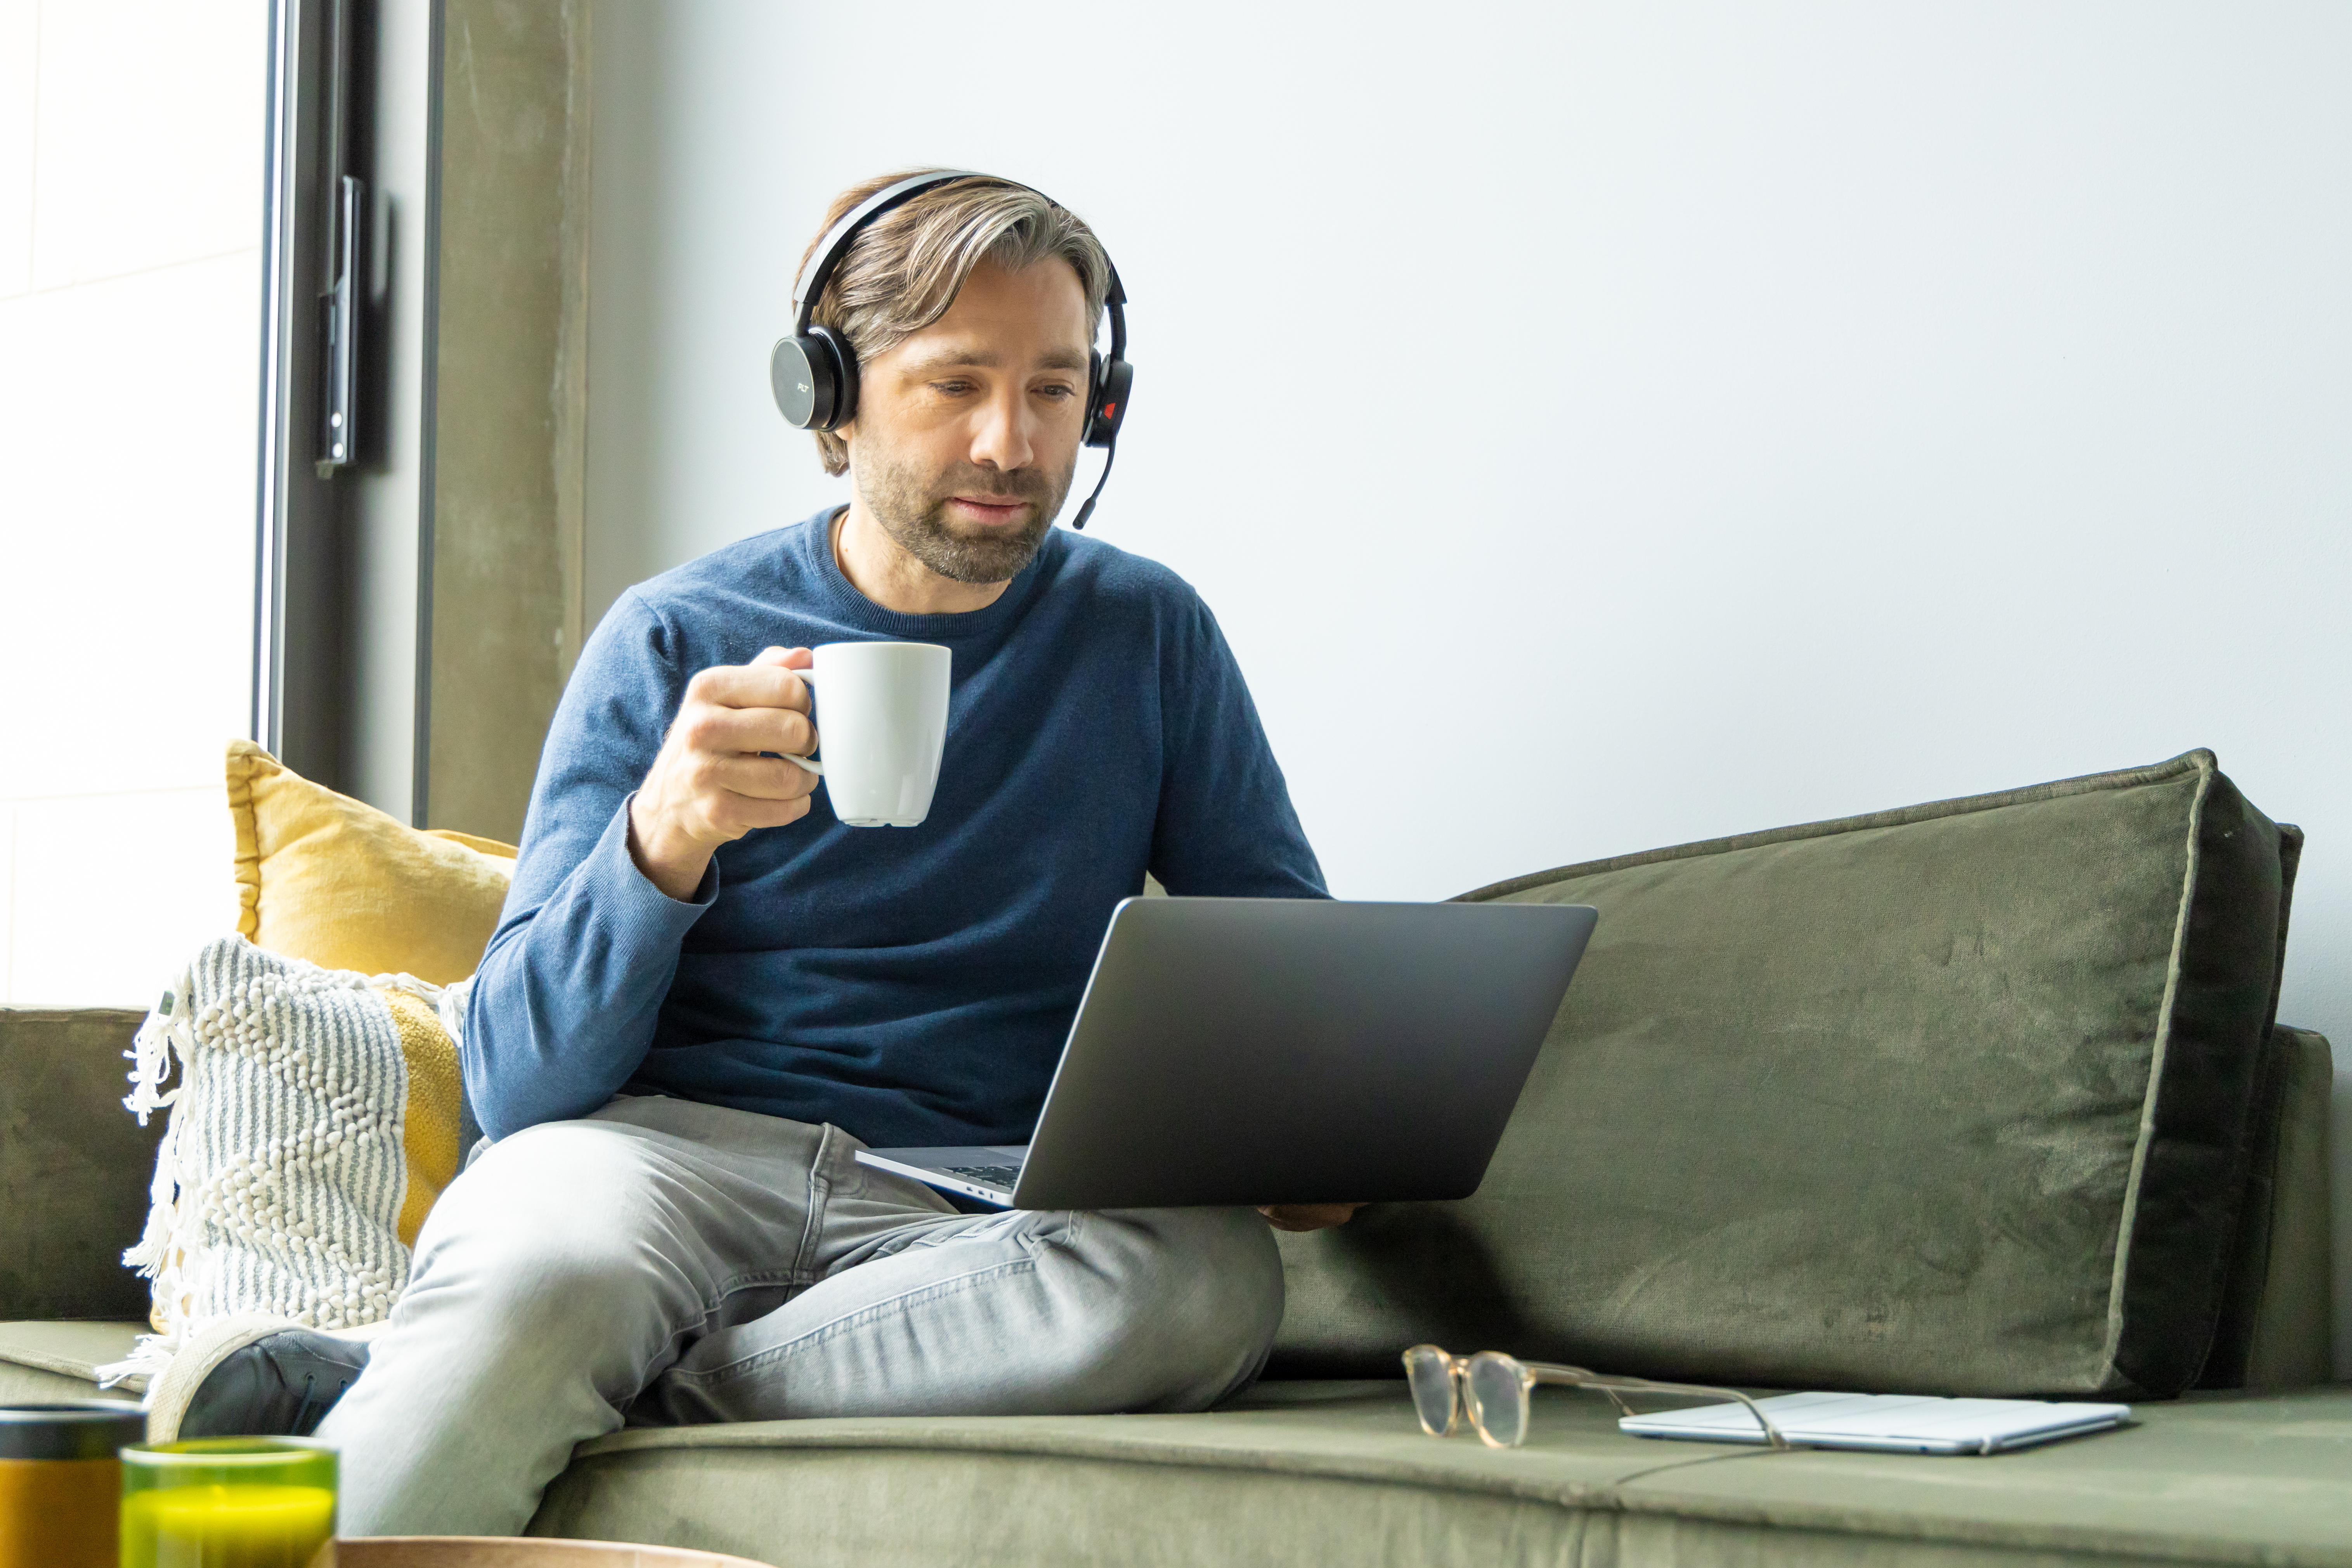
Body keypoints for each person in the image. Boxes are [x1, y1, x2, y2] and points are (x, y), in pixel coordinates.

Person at [168, 170, 1356, 1535]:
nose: (1014, 443)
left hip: (975, 1204)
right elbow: (511, 1076)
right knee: (543, 1267)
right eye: (958, 384)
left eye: (1055, 389)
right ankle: (521, 1356)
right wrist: (660, 838)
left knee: (1207, 1284)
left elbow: (1287, 979)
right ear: (829, 398)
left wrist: (1316, 1126)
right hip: (655, 1169)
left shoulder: (1149, 636)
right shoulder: (674, 636)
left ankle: (509, 1385)